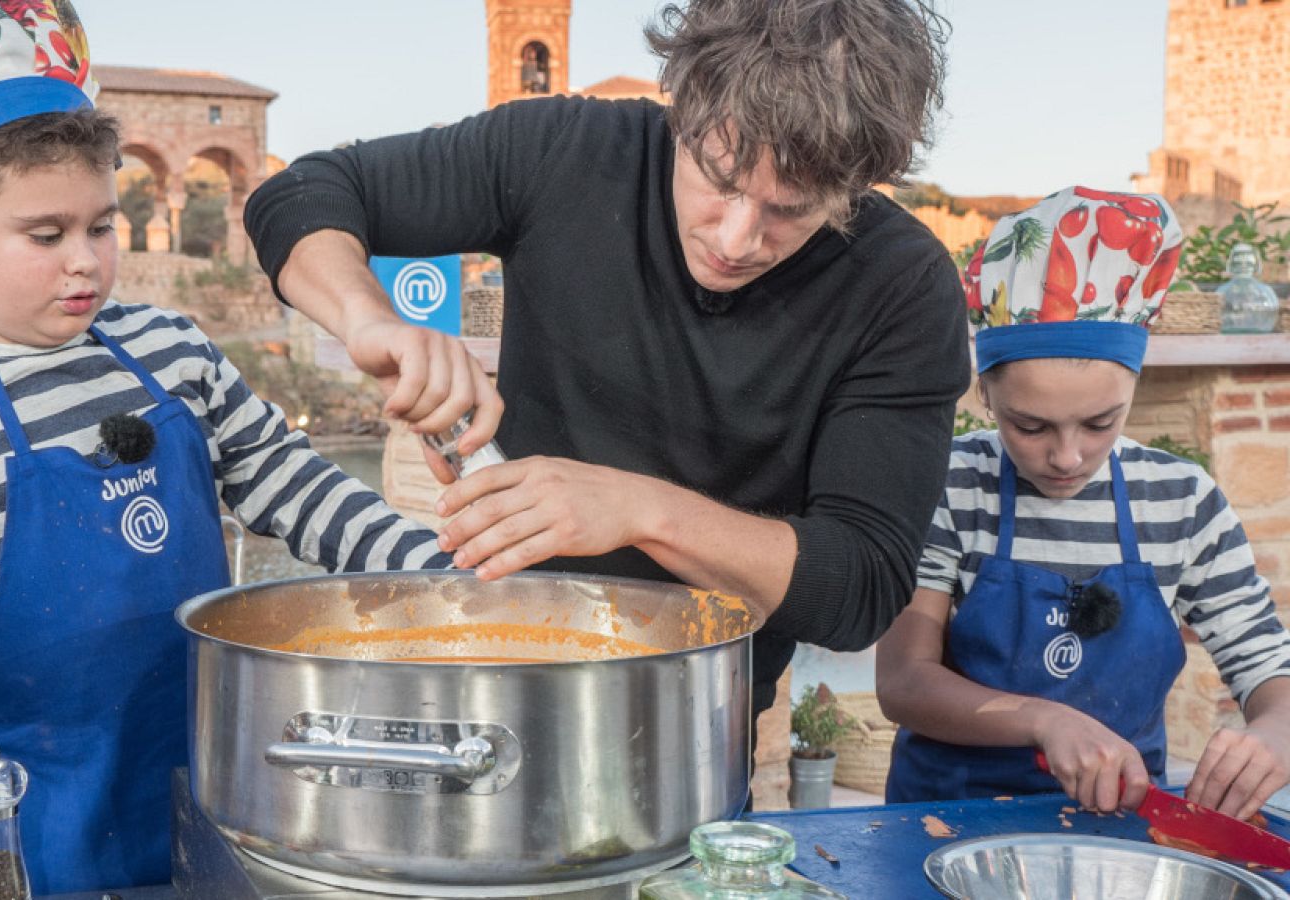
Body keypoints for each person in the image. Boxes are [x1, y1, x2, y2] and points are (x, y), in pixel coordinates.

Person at [0, 2, 449, 893]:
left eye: (101, 226)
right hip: (29, 835)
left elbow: (293, 484)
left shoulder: (170, 349)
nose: (86, 263)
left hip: (217, 792)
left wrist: (439, 572)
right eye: (46, 235)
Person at [244, 0, 970, 723]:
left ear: (860, 183)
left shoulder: (902, 286)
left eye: (793, 208)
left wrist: (637, 510)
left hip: (699, 728)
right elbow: (303, 195)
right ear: (683, 106)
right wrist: (371, 320)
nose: (737, 239)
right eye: (719, 178)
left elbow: (859, 590)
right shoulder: (568, 149)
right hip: (496, 681)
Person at [877, 187, 1290, 820]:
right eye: (1030, 427)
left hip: (1115, 828)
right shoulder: (954, 484)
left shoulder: (1183, 503)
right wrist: (1043, 720)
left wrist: (1272, 737)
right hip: (941, 821)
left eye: (1100, 423)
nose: (1066, 457)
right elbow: (904, 681)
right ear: (984, 392)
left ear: (1134, 385)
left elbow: (1268, 671)